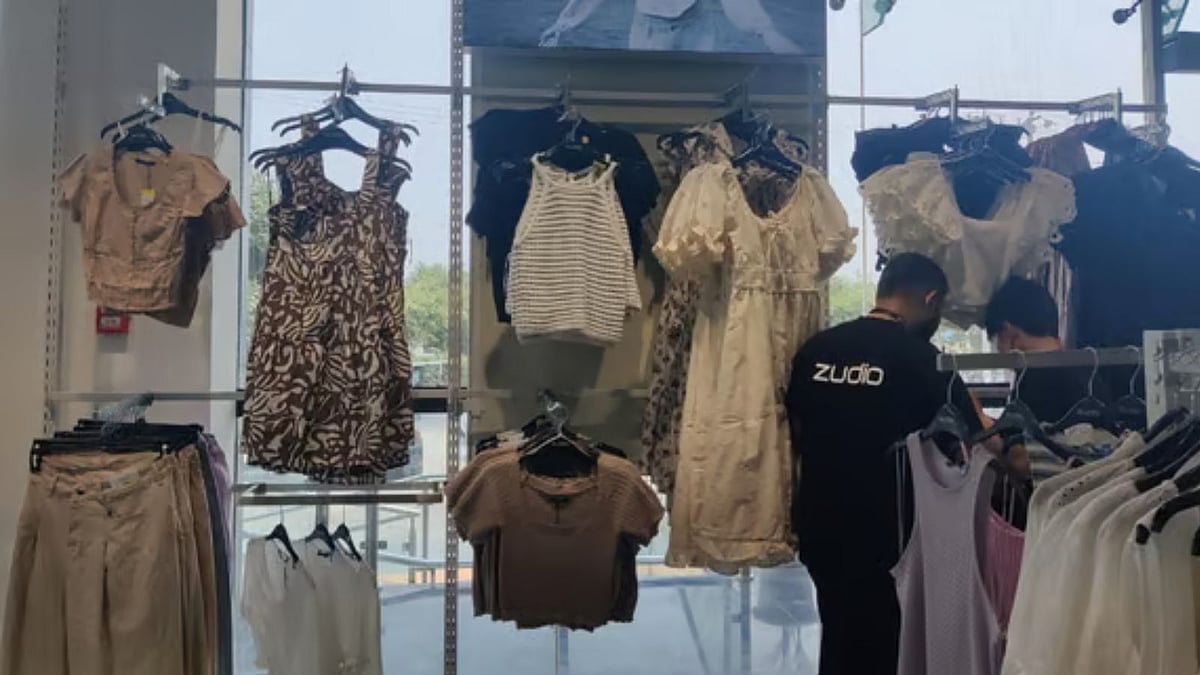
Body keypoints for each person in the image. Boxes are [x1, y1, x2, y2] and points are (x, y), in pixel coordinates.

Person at [785, 253, 983, 675]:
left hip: (820, 525)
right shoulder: (926, 361)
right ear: (931, 299)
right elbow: (975, 436)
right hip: (890, 534)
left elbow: (796, 433)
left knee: (839, 636)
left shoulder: (815, 350)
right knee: (888, 647)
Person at [984, 276, 1112, 423]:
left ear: (1007, 332)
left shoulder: (1034, 381)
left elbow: (1023, 435)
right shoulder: (1088, 371)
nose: (999, 350)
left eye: (996, 340)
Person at [538, 0, 801, 53]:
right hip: (649, 31)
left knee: (700, 105)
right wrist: (563, 25)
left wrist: (765, 31)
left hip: (696, 28)